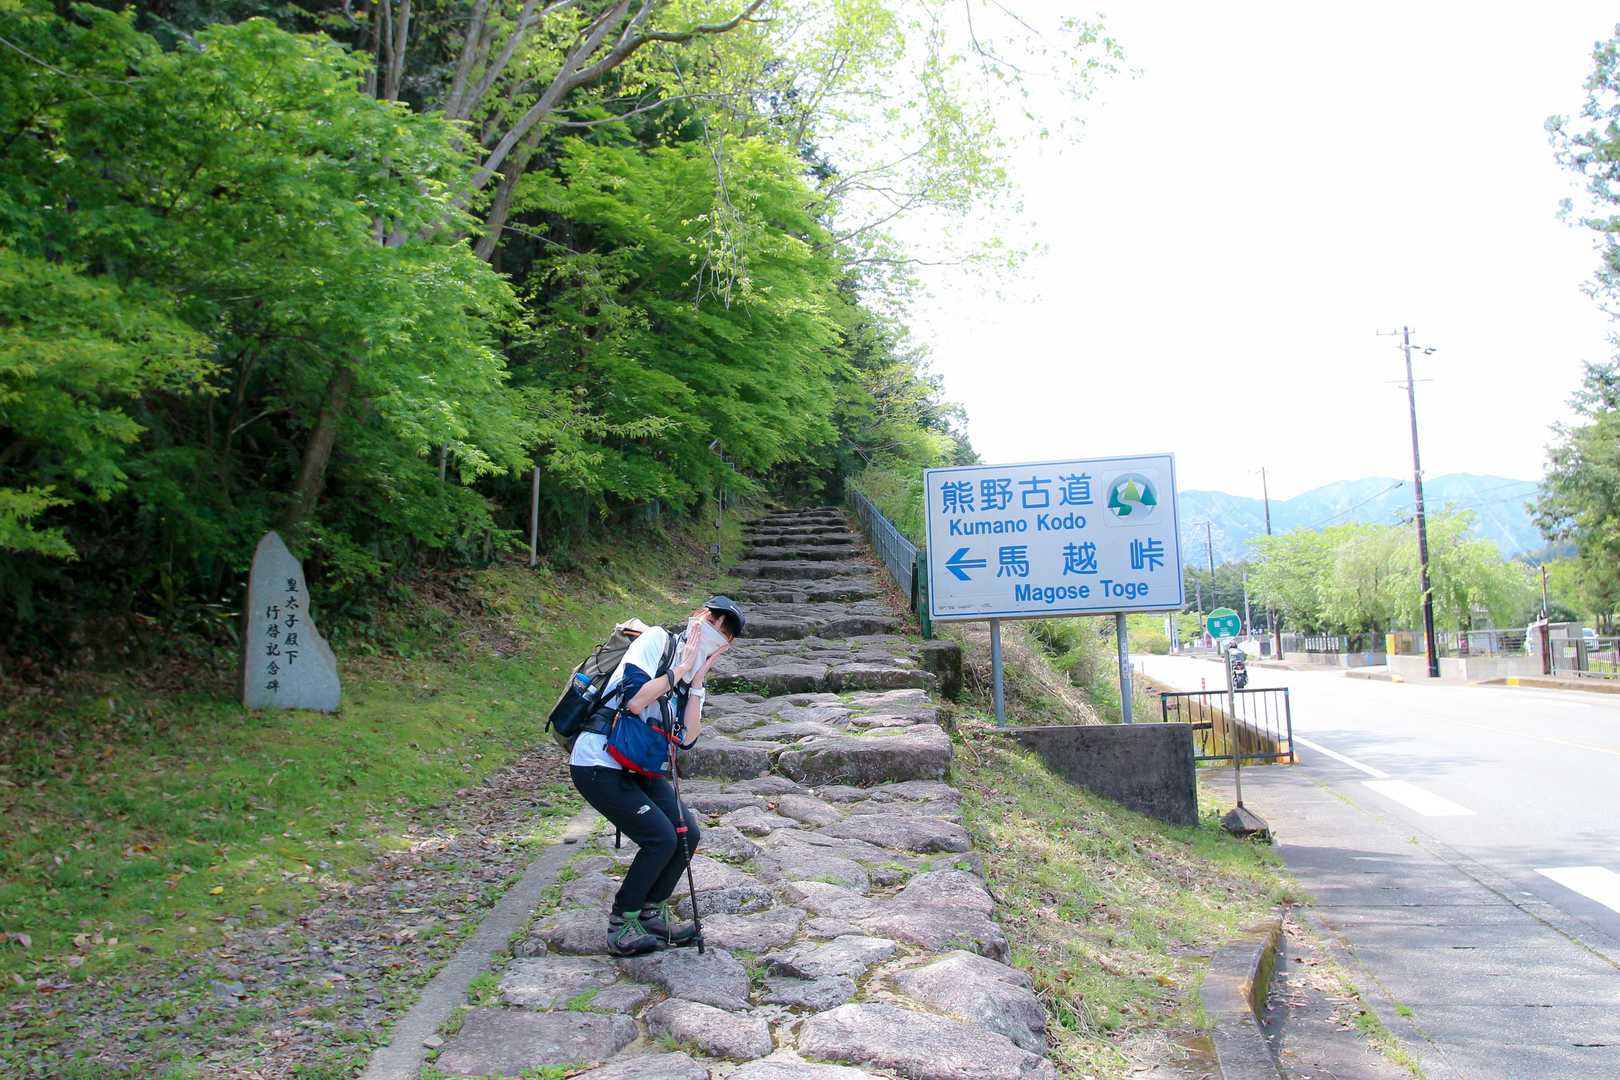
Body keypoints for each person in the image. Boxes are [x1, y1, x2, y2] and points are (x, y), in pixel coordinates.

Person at [568, 595, 745, 955]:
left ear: (726, 645)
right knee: (661, 838)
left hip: (639, 764)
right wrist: (681, 668)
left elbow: (688, 738)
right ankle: (622, 925)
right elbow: (635, 700)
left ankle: (650, 914)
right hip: (599, 760)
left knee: (687, 833)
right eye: (712, 619)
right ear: (697, 616)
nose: (714, 629)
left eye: (724, 631)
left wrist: (697, 679)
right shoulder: (656, 641)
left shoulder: (691, 675)